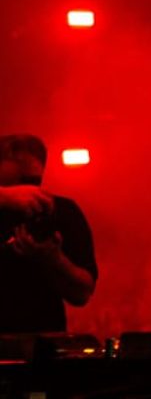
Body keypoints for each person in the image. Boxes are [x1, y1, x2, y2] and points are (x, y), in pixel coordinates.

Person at [0, 134, 98, 333]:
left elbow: (82, 293)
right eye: (15, 183)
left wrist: (53, 258)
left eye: (31, 181)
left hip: (41, 341)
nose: (26, 190)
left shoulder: (60, 211)